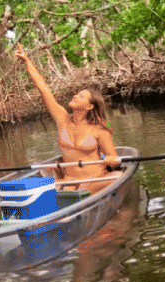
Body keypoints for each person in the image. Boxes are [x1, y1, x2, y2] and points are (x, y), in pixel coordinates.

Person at [14, 43, 121, 192]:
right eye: (77, 93)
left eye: (82, 96)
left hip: (96, 180)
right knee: (51, 188)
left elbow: (114, 159)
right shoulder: (62, 118)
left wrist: (112, 161)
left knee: (117, 176)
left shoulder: (99, 129)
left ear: (90, 106)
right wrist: (27, 61)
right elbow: (44, 90)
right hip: (71, 182)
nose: (76, 95)